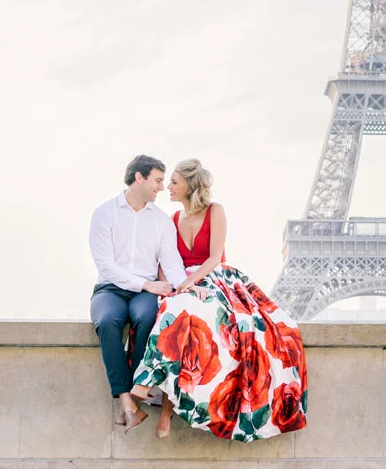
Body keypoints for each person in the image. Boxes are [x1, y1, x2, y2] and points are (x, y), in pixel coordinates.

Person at [128, 158, 308, 442]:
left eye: (173, 182)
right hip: (182, 282)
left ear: (189, 184)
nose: (168, 188)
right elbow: (166, 259)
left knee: (190, 314)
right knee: (173, 311)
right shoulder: (172, 220)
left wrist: (190, 282)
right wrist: (169, 287)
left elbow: (214, 257)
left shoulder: (215, 211)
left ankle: (158, 400)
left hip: (212, 277)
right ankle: (163, 406)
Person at [88, 154, 188, 431]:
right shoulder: (104, 213)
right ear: (139, 177)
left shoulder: (161, 221)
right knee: (107, 322)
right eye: (157, 180)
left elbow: (171, 263)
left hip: (145, 292)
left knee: (148, 319)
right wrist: (145, 285)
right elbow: (105, 265)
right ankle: (126, 403)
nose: (161, 187)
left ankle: (135, 398)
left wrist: (187, 287)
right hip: (110, 288)